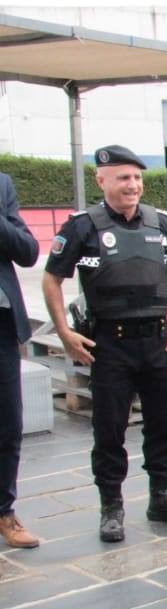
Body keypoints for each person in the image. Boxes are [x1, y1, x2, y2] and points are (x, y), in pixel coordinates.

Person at [41, 145, 167, 543]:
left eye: (137, 178)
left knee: (166, 422)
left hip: (158, 342)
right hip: (109, 344)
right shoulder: (82, 226)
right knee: (109, 430)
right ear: (102, 180)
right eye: (124, 178)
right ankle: (111, 506)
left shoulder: (160, 223)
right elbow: (51, 279)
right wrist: (64, 332)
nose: (133, 186)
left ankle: (161, 497)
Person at [0, 171, 40, 549]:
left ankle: (4, 512)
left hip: (1, 324)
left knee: (8, 425)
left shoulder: (2, 185)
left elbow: (28, 252)